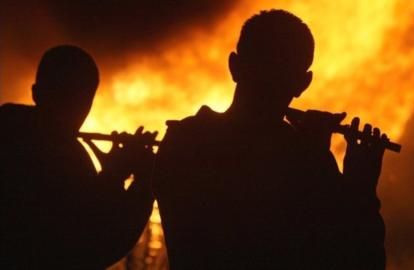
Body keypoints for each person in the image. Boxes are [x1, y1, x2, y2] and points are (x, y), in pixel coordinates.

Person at [154, 10, 387, 269]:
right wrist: (358, 191)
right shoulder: (305, 157)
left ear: (235, 66)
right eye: (266, 66)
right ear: (303, 83)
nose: (270, 81)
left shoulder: (183, 140)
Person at [0, 45, 157, 269]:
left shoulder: (9, 126)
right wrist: (142, 182)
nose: (76, 109)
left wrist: (112, 177)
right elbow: (94, 246)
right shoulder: (68, 155)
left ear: (35, 92)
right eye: (72, 96)